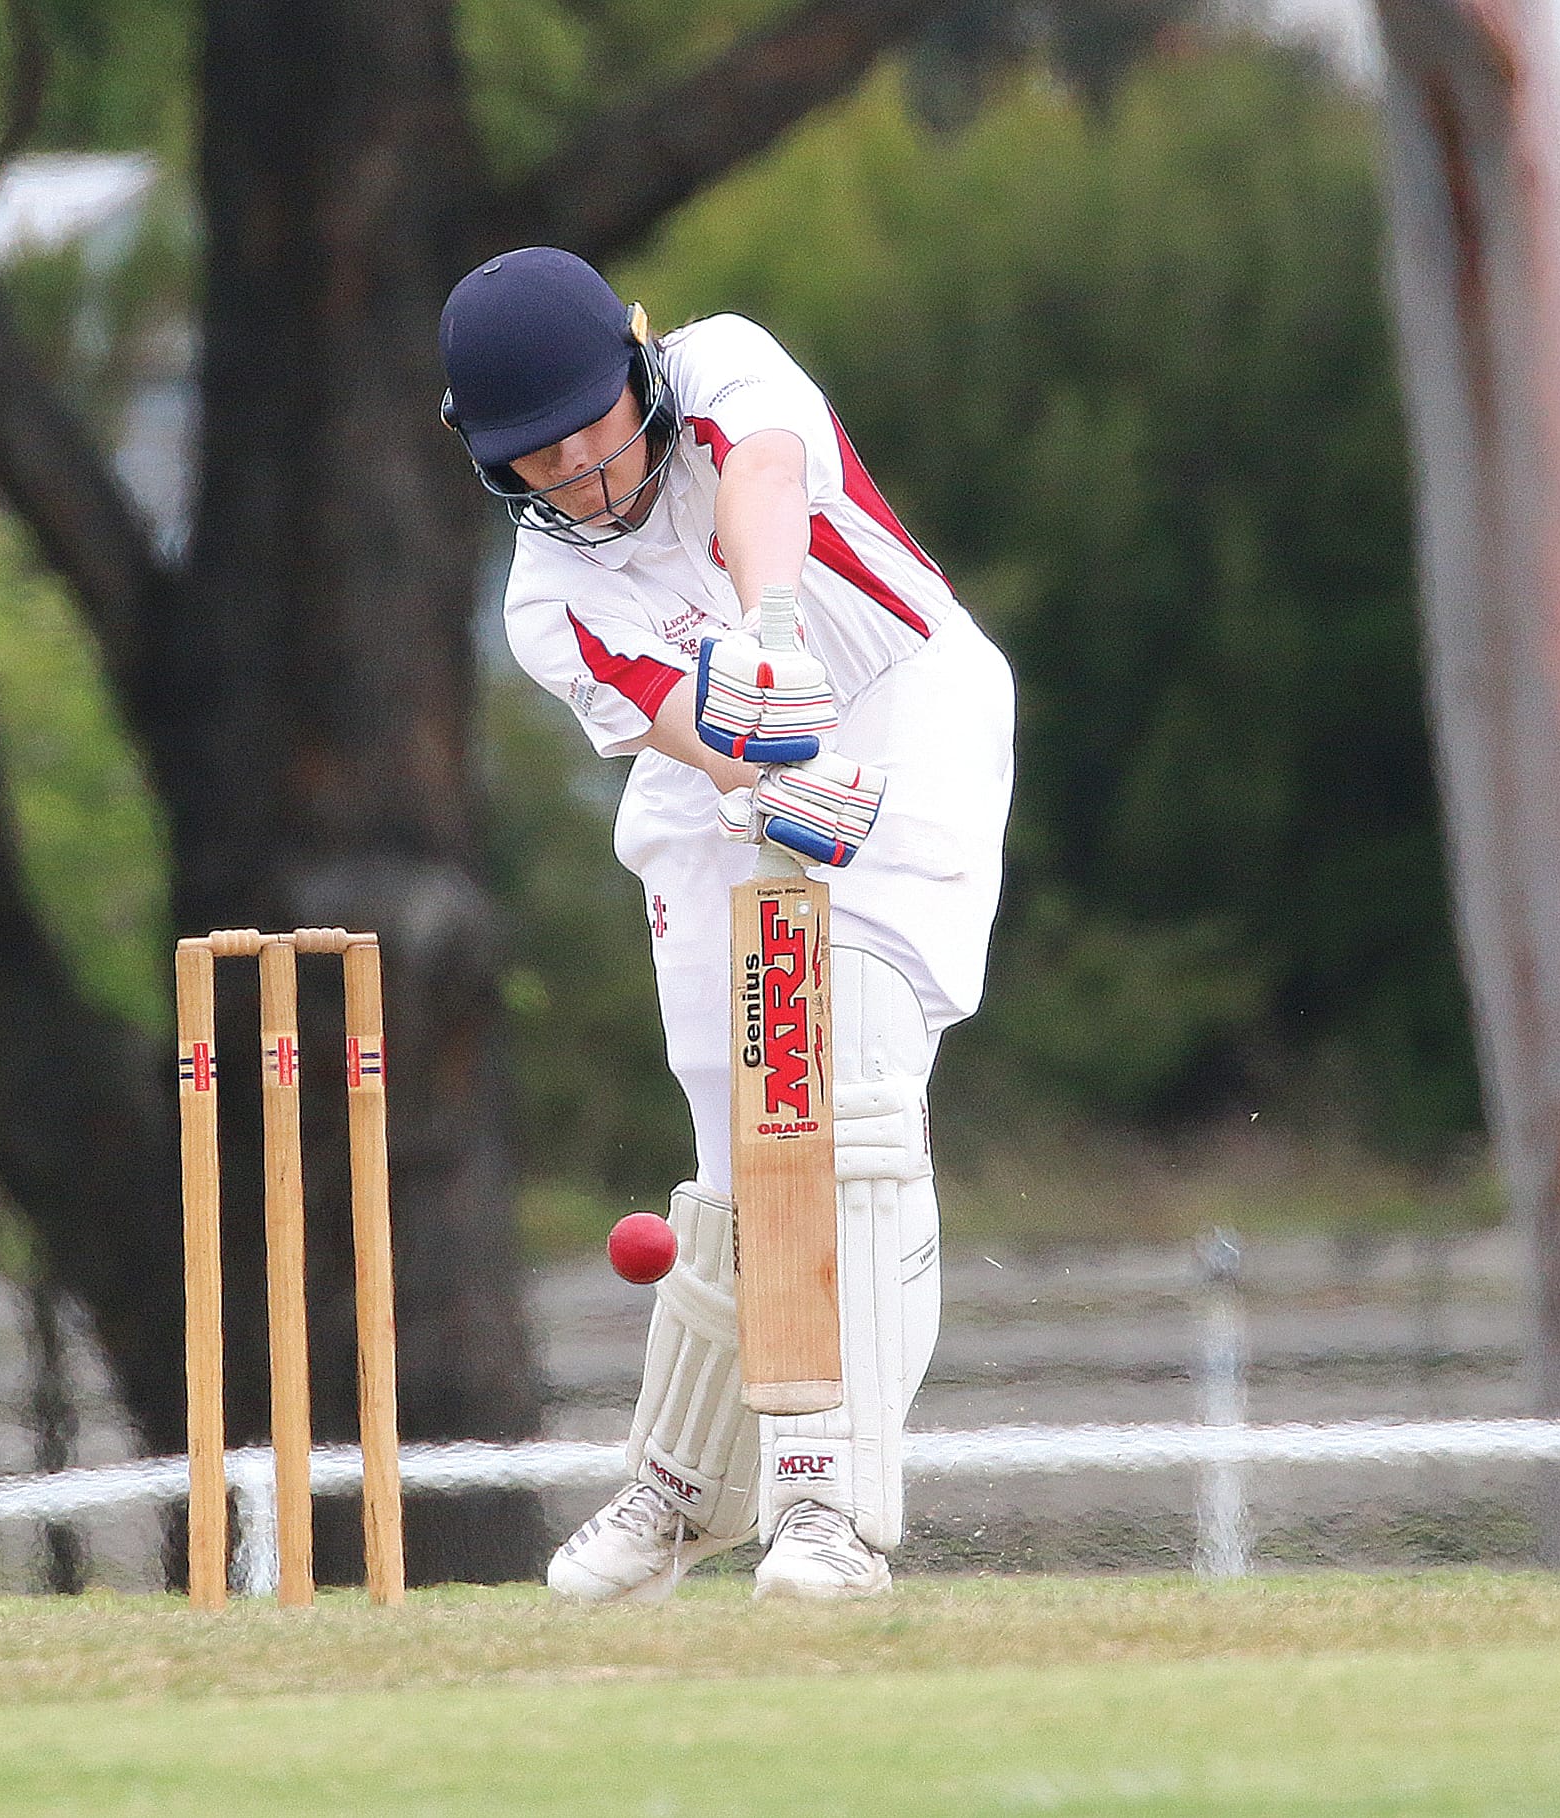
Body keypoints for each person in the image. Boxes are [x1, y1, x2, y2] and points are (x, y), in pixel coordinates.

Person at [439, 247, 1014, 1601]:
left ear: (636, 369)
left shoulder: (723, 366)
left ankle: (829, 1505)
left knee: (849, 1085)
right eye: (541, 461)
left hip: (904, 705)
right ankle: (685, 1488)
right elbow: (683, 723)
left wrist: (767, 627)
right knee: (735, 1123)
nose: (583, 473)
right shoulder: (543, 600)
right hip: (724, 772)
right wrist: (753, 747)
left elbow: (763, 480)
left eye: (596, 432)